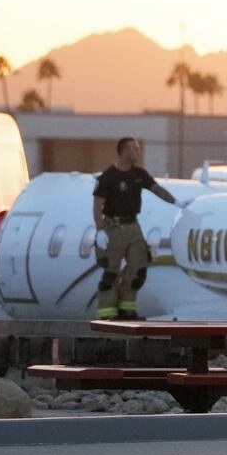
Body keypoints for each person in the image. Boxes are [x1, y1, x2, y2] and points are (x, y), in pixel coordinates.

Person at [91, 137, 184, 320]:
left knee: (139, 268)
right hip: (113, 227)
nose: (138, 152)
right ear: (124, 151)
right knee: (111, 272)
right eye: (135, 149)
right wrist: (100, 230)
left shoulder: (139, 174)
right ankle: (107, 313)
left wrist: (176, 202)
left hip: (133, 226)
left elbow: (156, 189)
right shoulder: (108, 177)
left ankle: (127, 309)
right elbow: (97, 206)